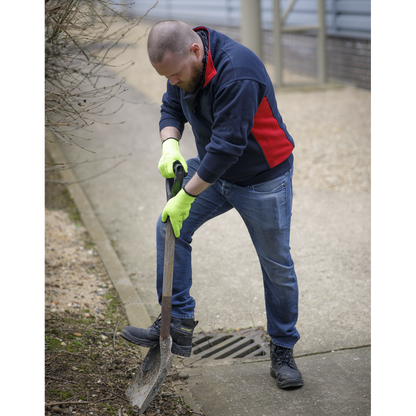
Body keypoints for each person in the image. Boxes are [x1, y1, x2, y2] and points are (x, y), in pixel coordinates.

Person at [120, 20, 303, 389]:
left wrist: (187, 195)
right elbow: (171, 109)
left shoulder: (239, 74)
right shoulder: (180, 68)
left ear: (195, 51)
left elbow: (227, 148)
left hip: (262, 179)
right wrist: (169, 144)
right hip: (214, 173)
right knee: (170, 226)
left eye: (174, 74)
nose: (172, 82)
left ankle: (283, 348)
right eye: (165, 76)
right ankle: (178, 322)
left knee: (276, 265)